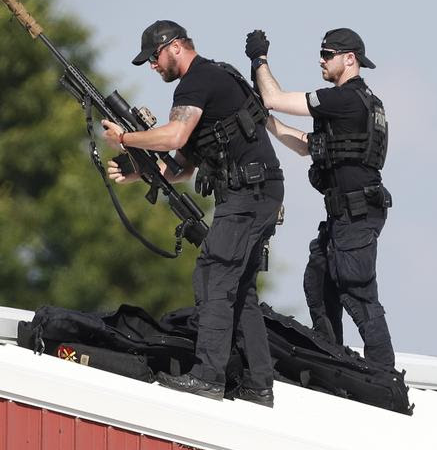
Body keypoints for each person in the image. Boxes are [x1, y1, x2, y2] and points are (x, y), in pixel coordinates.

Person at [103, 20, 284, 406]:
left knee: (214, 275)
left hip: (247, 193)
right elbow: (182, 166)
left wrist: (125, 137)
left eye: (153, 58)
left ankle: (207, 377)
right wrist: (137, 171)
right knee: (240, 288)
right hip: (257, 191)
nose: (153, 66)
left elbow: (173, 137)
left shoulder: (197, 81)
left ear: (174, 48)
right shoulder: (211, 80)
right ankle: (258, 383)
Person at [244, 28, 395, 368]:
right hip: (346, 215)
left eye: (327, 54)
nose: (321, 60)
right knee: (319, 282)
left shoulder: (344, 99)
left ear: (349, 59)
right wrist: (265, 120)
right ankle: (334, 360)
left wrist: (259, 60)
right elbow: (304, 144)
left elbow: (274, 96)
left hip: (356, 214)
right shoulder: (354, 104)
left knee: (356, 293)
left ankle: (383, 375)